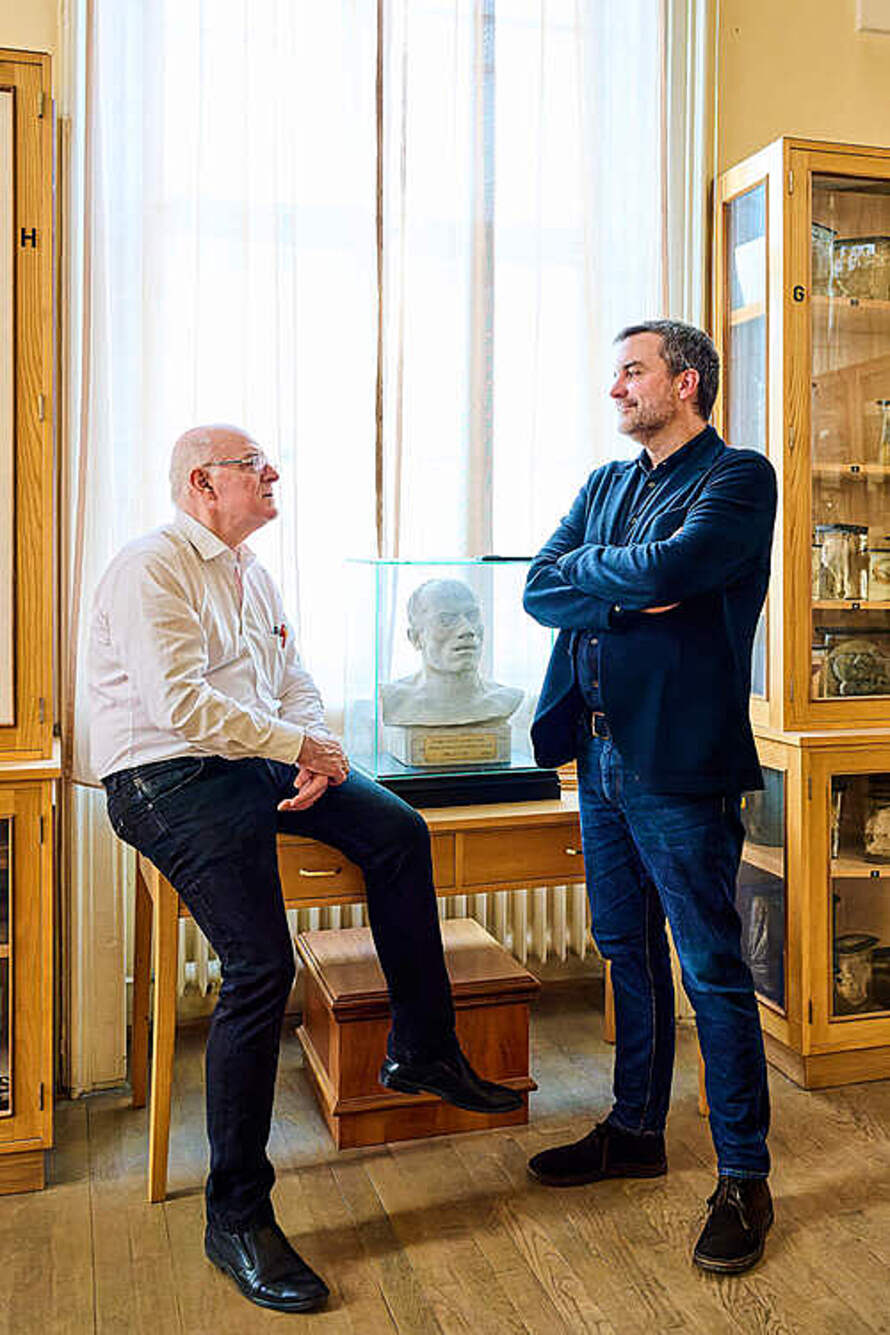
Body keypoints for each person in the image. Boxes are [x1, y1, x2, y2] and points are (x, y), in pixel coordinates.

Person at [88, 424, 521, 1315]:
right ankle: (236, 1215)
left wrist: (315, 748)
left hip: (254, 757)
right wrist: (298, 745)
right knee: (261, 966)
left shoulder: (253, 573)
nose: (272, 473)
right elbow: (182, 705)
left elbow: (293, 679)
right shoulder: (151, 566)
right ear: (203, 483)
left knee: (399, 831)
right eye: (254, 465)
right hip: (163, 775)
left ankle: (423, 1048)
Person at [523, 320, 777, 1275]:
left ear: (686, 381)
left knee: (710, 968)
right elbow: (539, 587)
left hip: (678, 760)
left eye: (632, 371)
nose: (617, 388)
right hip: (596, 757)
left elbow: (673, 569)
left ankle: (744, 1178)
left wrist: (613, 576)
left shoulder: (739, 478)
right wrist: (627, 586)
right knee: (624, 947)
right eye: (616, 373)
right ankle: (635, 1131)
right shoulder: (606, 484)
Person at [380, 578, 522, 726]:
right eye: (446, 619)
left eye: (472, 616)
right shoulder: (392, 702)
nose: (467, 630)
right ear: (415, 637)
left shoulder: (512, 703)